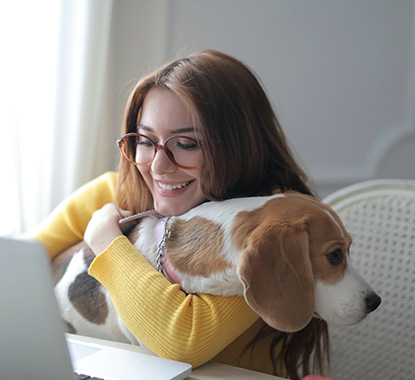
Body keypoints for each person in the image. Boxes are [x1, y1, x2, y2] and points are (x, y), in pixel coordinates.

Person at [24, 49, 328, 379]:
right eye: (145, 140)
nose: (158, 166)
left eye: (186, 144)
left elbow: (183, 344)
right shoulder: (111, 194)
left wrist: (108, 243)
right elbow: (8, 266)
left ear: (239, 148)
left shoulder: (265, 230)